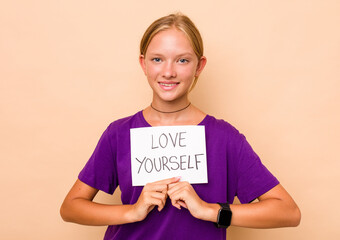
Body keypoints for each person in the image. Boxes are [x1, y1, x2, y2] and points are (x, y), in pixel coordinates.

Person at [60, 13, 301, 239]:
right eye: (157, 59)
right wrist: (132, 211)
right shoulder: (119, 133)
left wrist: (210, 210)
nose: (168, 72)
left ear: (199, 66)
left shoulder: (224, 138)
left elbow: (288, 212)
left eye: (182, 60)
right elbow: (70, 208)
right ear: (144, 64)